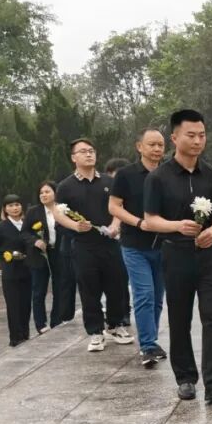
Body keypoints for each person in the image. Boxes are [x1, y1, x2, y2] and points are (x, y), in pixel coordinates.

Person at [143, 109, 212, 403]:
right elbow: (150, 220)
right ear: (174, 138)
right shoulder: (158, 178)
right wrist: (177, 226)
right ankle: (185, 378)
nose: (197, 141)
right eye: (191, 135)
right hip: (176, 255)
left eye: (202, 135)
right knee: (180, 319)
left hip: (210, 256)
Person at [54, 138, 133, 352]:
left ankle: (116, 325)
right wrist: (75, 226)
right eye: (83, 151)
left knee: (117, 285)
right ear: (74, 158)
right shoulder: (65, 186)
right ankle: (96, 332)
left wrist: (115, 225)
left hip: (110, 244)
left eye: (91, 150)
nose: (89, 154)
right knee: (89, 289)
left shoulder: (109, 181)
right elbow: (59, 215)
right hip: (84, 246)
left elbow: (119, 207)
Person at [110, 128, 167, 368]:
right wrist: (139, 223)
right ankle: (147, 345)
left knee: (158, 297)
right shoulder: (126, 175)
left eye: (160, 145)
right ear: (139, 146)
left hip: (164, 245)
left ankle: (151, 340)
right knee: (144, 294)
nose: (157, 149)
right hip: (135, 245)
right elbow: (114, 207)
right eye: (151, 144)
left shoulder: (169, 173)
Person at [0, 195, 33, 347]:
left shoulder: (27, 224)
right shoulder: (0, 227)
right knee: (13, 304)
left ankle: (25, 333)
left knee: (26, 304)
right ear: (5, 209)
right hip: (11, 271)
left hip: (28, 269)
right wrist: (6, 255)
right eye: (10, 206)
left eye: (17, 204)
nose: (14, 208)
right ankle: (15, 337)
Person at [23, 181, 63, 334]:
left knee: (60, 288)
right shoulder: (33, 212)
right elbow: (24, 233)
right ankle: (41, 324)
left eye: (47, 191)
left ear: (55, 193)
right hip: (39, 255)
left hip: (59, 253)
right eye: (41, 192)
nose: (44, 195)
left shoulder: (62, 209)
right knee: (39, 290)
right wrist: (35, 241)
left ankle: (57, 320)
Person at [104, 157, 133, 329]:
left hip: (127, 239)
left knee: (122, 278)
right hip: (107, 240)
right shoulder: (105, 192)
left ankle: (125, 312)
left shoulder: (131, 191)